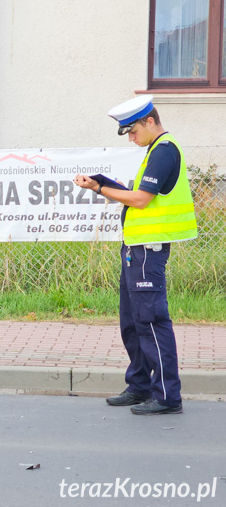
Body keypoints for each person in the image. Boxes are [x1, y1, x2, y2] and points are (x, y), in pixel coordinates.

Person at [73, 94, 197, 415]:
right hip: (135, 250)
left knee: (152, 321)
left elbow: (141, 200)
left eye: (132, 130)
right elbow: (138, 196)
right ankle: (140, 386)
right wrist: (102, 182)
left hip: (148, 251)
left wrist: (99, 189)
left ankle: (168, 396)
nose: (130, 137)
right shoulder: (153, 151)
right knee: (132, 322)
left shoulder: (164, 152)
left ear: (150, 121)